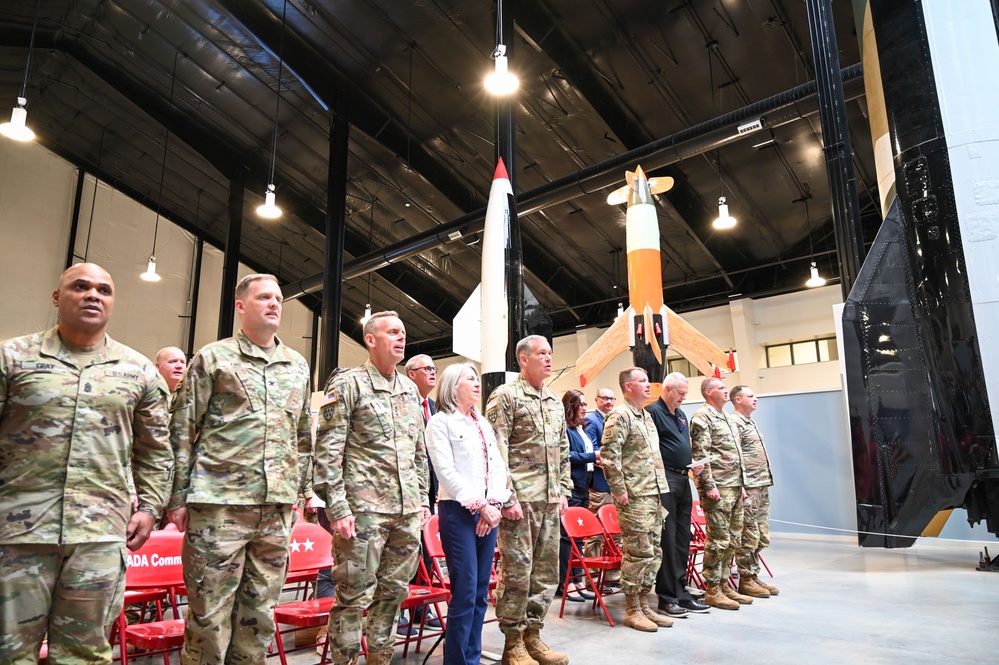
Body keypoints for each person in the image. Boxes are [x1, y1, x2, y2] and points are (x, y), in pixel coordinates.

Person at [0, 262, 174, 664]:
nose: (93, 295)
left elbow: (155, 451)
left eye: (104, 290)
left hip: (98, 537)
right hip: (18, 535)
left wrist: (150, 508)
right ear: (58, 298)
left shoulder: (139, 371)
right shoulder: (14, 358)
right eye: (81, 287)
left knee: (85, 654)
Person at [167, 273, 313, 664]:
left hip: (275, 510)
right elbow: (181, 430)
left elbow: (302, 439)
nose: (273, 304)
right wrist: (178, 497)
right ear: (241, 305)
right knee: (210, 618)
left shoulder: (297, 365)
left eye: (279, 298)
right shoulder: (213, 358)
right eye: (264, 297)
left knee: (260, 617)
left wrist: (297, 493)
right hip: (219, 507)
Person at [313, 310, 431, 665]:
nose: (401, 337)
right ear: (370, 339)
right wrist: (338, 508)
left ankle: (380, 658)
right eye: (392, 332)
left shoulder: (410, 389)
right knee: (352, 597)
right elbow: (328, 450)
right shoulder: (347, 385)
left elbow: (418, 451)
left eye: (403, 332)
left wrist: (423, 498)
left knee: (393, 594)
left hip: (406, 511)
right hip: (362, 512)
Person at [485, 335, 570, 665]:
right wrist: (506, 497)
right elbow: (496, 450)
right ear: (523, 359)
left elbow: (562, 450)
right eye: (542, 354)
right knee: (518, 572)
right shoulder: (505, 396)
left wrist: (562, 490)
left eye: (550, 353)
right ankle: (513, 642)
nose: (548, 358)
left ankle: (534, 635)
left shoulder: (553, 400)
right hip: (520, 501)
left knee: (546, 574)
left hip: (549, 500)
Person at [425, 363, 511, 665]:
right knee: (464, 591)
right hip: (459, 512)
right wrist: (479, 505)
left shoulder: (482, 423)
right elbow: (445, 472)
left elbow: (498, 467)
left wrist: (495, 505)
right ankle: (457, 661)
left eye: (477, 378)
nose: (477, 383)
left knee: (479, 594)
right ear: (452, 386)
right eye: (470, 379)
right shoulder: (440, 423)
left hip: (488, 513)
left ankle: (472, 658)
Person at [600, 367, 673, 632]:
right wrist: (618, 489)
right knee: (637, 552)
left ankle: (644, 605)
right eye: (642, 381)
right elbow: (609, 454)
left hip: (652, 493)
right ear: (628, 386)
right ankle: (632, 609)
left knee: (654, 552)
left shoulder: (646, 416)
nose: (648, 385)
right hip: (633, 495)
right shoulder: (620, 415)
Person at [646, 372, 710, 617]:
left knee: (684, 536)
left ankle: (681, 590)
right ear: (667, 389)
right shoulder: (653, 412)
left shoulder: (681, 414)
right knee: (668, 539)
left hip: (683, 478)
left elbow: (681, 446)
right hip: (665, 480)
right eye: (680, 393)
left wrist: (693, 462)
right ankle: (666, 596)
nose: (684, 397)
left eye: (686, 393)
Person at [689, 377, 753, 610]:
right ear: (708, 392)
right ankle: (712, 589)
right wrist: (708, 485)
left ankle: (725, 584)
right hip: (717, 488)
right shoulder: (702, 417)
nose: (726, 392)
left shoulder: (727, 417)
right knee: (718, 540)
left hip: (734, 486)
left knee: (733, 538)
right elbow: (700, 455)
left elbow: (735, 455)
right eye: (721, 388)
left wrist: (742, 485)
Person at [399, 353, 442, 635]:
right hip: (406, 490)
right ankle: (400, 612)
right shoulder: (401, 400)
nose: (433, 372)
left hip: (431, 490)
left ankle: (420, 609)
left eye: (435, 368)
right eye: (427, 368)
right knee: (403, 553)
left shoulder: (434, 406)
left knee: (425, 551)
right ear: (411, 373)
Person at [730, 385, 780, 598]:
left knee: (760, 534)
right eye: (750, 396)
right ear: (738, 400)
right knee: (748, 533)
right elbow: (734, 455)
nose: (755, 398)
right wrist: (739, 484)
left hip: (760, 484)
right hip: (748, 486)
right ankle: (746, 579)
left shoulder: (750, 422)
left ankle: (753, 574)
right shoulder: (735, 423)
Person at [557, 390, 596, 602]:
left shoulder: (582, 429)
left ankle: (578, 579)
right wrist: (592, 455)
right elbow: (567, 456)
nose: (584, 407)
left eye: (585, 403)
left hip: (584, 487)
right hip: (571, 487)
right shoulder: (565, 429)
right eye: (580, 404)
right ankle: (567, 582)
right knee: (567, 537)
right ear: (570, 406)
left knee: (579, 537)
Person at [582, 387, 620, 587]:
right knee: (596, 533)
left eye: (612, 398)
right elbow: (594, 450)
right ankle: (593, 577)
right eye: (605, 398)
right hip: (599, 484)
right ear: (596, 400)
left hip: (615, 485)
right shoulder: (592, 421)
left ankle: (612, 574)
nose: (609, 401)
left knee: (614, 532)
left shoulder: (615, 418)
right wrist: (611, 459)